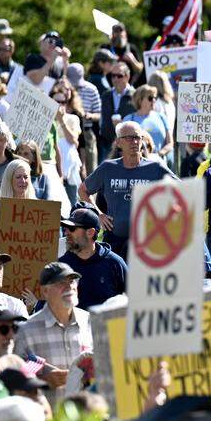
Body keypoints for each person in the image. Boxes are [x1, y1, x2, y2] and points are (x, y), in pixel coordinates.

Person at [79, 121, 176, 260]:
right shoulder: (108, 168)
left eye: (137, 137)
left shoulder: (155, 168)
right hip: (114, 240)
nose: (134, 142)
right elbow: (83, 190)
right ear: (119, 143)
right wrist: (98, 214)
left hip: (145, 241)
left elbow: (180, 190)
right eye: (129, 138)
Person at [14, 262, 92, 401]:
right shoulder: (26, 331)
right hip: (47, 417)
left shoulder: (89, 321)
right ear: (45, 291)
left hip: (86, 417)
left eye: (72, 281)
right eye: (61, 283)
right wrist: (45, 381)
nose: (69, 287)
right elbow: (16, 381)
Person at [57, 208, 127, 309]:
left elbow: (134, 300)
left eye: (72, 228)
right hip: (74, 325)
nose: (66, 232)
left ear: (90, 232)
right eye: (65, 227)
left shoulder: (115, 263)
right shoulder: (61, 266)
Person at [0, 159, 37, 235]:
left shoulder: (37, 207)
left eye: (26, 177)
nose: (23, 181)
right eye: (18, 177)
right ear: (9, 179)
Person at [97, 61, 134, 160]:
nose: (115, 79)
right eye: (113, 76)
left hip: (128, 145)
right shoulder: (106, 95)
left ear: (127, 77)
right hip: (108, 144)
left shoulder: (135, 95)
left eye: (119, 76)